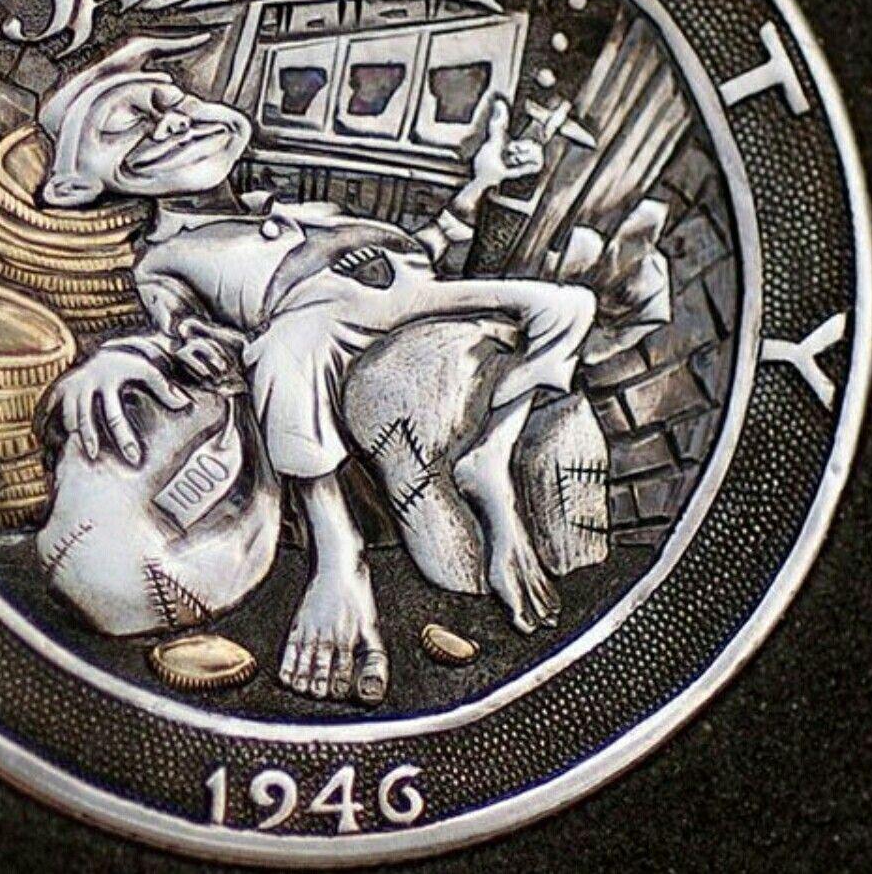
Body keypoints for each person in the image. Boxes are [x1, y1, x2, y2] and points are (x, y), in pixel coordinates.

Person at [38, 34, 596, 705]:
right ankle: (338, 556)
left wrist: (478, 186)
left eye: (170, 101)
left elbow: (419, 254)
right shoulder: (164, 257)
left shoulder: (284, 211)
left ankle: (490, 463)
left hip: (407, 299)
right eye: (127, 126)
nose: (172, 123)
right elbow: (179, 334)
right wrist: (120, 358)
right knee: (286, 346)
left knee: (567, 306)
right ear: (77, 184)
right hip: (315, 332)